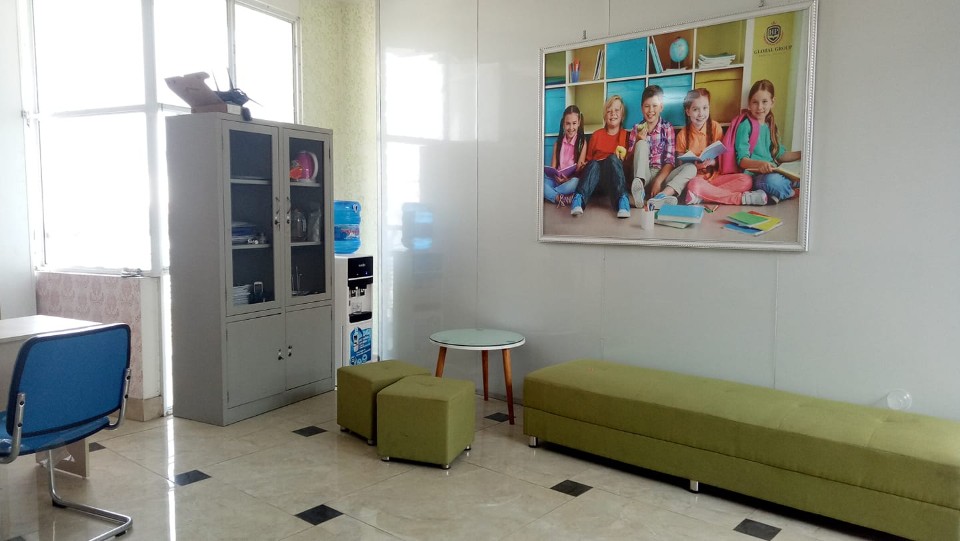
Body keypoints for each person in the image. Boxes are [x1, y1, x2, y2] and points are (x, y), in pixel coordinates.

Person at [677, 88, 767, 206]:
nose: (701, 114)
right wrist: (695, 165)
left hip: (716, 178)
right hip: (697, 179)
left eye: (705, 108)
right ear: (688, 111)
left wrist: (712, 162)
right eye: (695, 109)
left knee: (746, 180)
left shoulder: (715, 127)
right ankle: (741, 199)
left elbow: (722, 157)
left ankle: (702, 196)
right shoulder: (682, 135)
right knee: (694, 184)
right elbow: (680, 164)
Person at [735, 79, 802, 203]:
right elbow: (742, 161)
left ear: (772, 102)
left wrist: (802, 154)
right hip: (756, 176)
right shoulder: (746, 126)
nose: (760, 107)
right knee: (772, 182)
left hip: (774, 171)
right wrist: (760, 164)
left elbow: (780, 154)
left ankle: (781, 192)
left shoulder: (770, 125)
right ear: (749, 104)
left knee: (803, 174)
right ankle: (791, 192)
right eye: (755, 102)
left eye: (764, 102)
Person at [630, 85, 696, 209]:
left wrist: (658, 181)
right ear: (641, 108)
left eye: (654, 106)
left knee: (691, 168)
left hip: (663, 176)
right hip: (643, 175)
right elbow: (630, 160)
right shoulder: (636, 128)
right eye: (647, 106)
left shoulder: (667, 128)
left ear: (661, 107)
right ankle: (640, 192)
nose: (650, 110)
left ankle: (662, 196)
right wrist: (638, 141)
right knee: (641, 144)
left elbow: (670, 161)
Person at [571, 95, 632, 218]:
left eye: (616, 110)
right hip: (596, 182)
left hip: (614, 182)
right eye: (609, 111)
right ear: (604, 116)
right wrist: (584, 166)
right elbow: (588, 162)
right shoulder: (596, 135)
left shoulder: (626, 135)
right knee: (593, 163)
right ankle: (578, 199)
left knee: (613, 159)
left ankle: (623, 200)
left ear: (622, 115)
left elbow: (628, 165)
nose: (613, 114)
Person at [544, 105, 587, 207]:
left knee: (576, 182)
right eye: (568, 124)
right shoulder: (557, 143)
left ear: (579, 123)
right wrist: (555, 176)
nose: (571, 128)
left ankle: (550, 194)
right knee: (538, 181)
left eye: (574, 123)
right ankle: (560, 197)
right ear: (563, 124)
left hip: (570, 181)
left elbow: (578, 170)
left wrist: (567, 179)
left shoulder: (582, 143)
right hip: (556, 181)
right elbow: (553, 168)